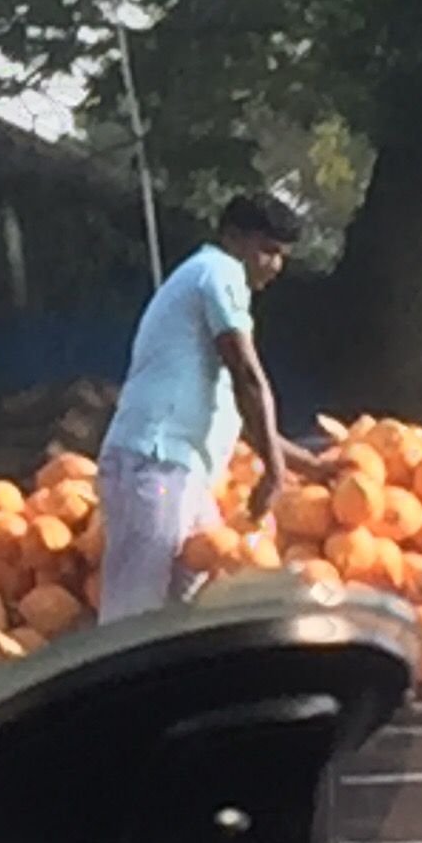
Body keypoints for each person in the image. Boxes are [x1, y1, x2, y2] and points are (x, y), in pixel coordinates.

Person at [96, 192, 324, 624]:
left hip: (182, 476)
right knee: (132, 620)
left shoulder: (204, 282)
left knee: (198, 603)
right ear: (233, 237)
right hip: (155, 467)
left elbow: (246, 421)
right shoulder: (219, 271)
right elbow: (248, 376)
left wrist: (310, 465)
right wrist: (274, 472)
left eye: (282, 255)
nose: (275, 265)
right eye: (268, 250)